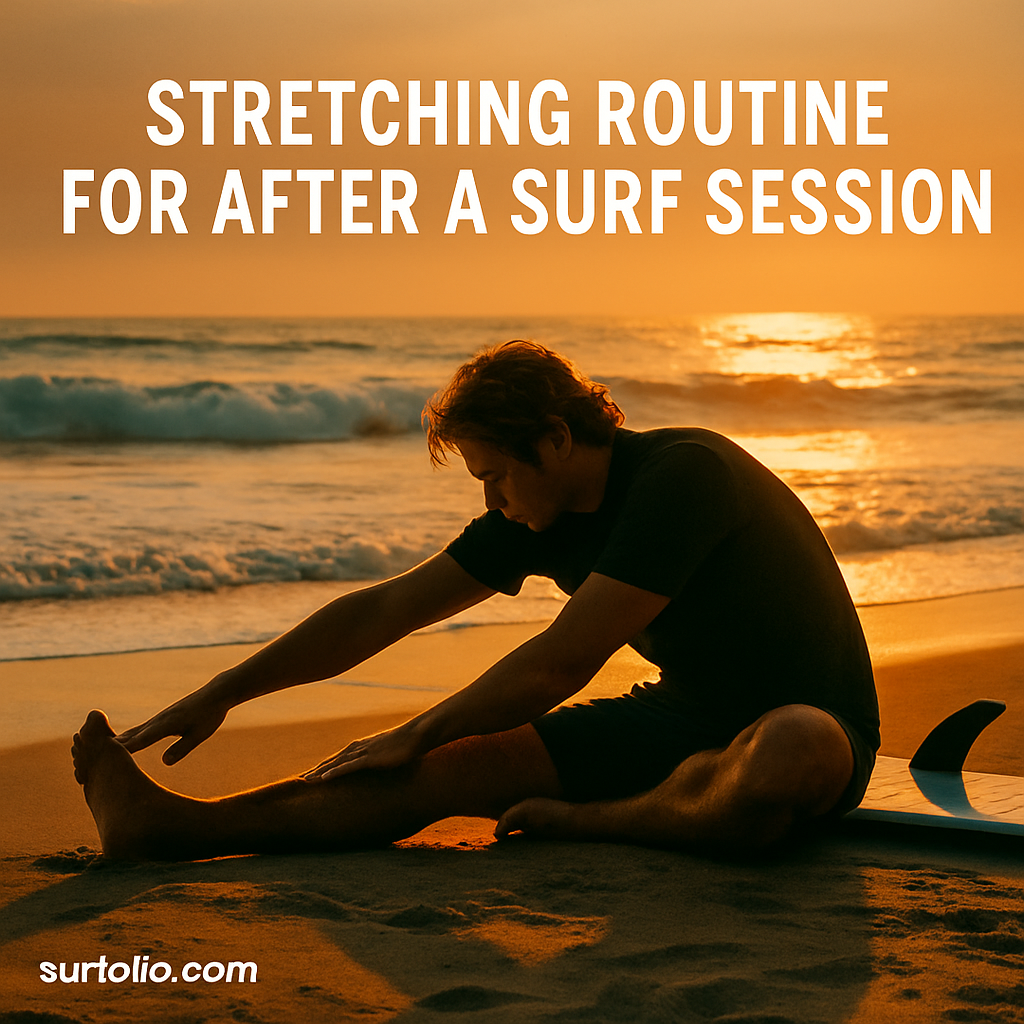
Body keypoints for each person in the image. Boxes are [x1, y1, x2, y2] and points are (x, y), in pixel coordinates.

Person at [72, 341, 879, 861]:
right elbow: (380, 612)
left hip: (814, 722)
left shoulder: (685, 477)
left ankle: (605, 820)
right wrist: (223, 693)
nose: (491, 499)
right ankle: (173, 829)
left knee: (785, 753)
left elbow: (562, 660)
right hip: (674, 724)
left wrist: (416, 725)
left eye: (494, 474)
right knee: (444, 767)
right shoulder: (537, 508)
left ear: (556, 440)